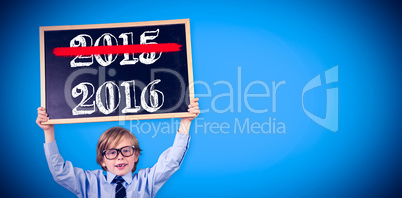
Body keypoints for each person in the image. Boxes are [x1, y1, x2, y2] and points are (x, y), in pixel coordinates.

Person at [36, 98, 199, 198]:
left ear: (136, 156)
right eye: (112, 152)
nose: (120, 157)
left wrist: (185, 122)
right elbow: (60, 172)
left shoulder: (147, 181)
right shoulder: (88, 182)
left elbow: (171, 162)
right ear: (102, 160)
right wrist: (48, 131)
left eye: (126, 150)